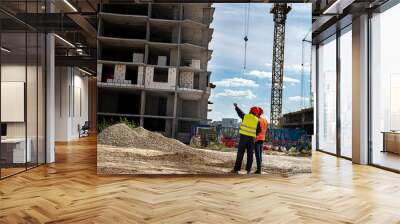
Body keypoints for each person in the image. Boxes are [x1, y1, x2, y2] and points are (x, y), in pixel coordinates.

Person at [230, 103, 261, 174]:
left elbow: (240, 112)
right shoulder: (257, 120)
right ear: (256, 113)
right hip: (252, 139)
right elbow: (259, 130)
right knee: (250, 154)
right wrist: (254, 134)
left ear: (251, 111)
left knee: (240, 153)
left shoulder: (246, 116)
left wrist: (236, 107)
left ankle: (236, 169)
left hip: (243, 137)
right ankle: (248, 170)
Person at [253, 107, 268, 174]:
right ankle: (260, 168)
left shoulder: (258, 119)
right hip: (262, 138)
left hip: (257, 139)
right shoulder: (264, 119)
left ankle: (259, 170)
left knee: (257, 155)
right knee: (260, 155)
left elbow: (256, 129)